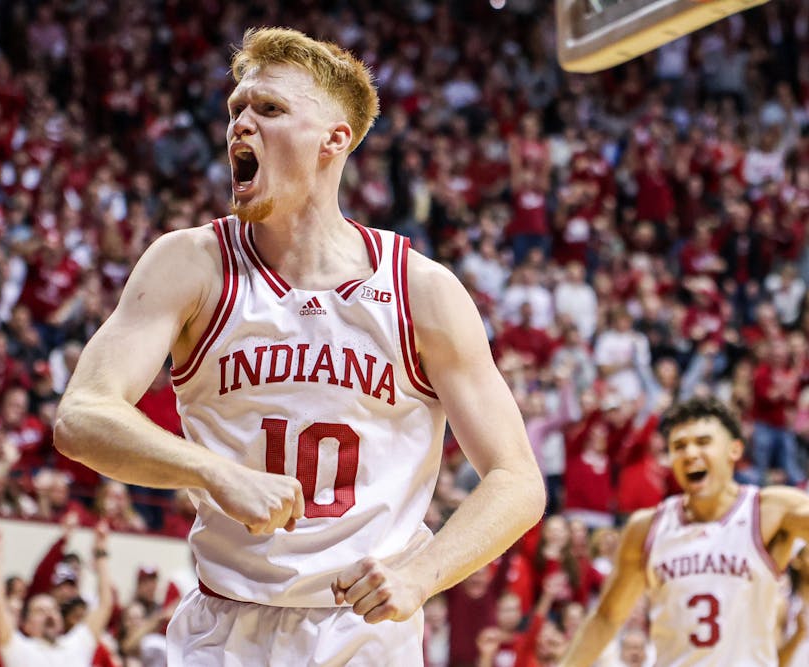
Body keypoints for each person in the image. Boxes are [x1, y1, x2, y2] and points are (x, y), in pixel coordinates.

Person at [54, 26, 544, 664]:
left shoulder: (420, 289)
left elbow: (518, 480)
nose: (240, 124)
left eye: (269, 109)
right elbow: (82, 415)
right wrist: (215, 472)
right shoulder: (191, 263)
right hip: (223, 626)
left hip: (363, 630)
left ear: (334, 139)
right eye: (236, 109)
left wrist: (422, 576)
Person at [560, 396, 809, 666]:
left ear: (734, 450)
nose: (690, 454)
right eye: (679, 446)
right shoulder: (647, 527)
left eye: (703, 442)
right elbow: (607, 618)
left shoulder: (771, 511)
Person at [0, 523, 113, 666]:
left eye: (53, 610)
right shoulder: (18, 648)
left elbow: (105, 605)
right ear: (26, 625)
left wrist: (101, 552)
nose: (49, 614)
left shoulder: (77, 644)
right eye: (40, 611)